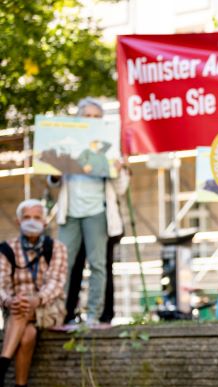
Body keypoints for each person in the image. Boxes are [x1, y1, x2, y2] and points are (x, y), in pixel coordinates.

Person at [48, 97, 126, 325]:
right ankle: (58, 314)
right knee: (64, 264)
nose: (91, 120)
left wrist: (120, 171)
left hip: (97, 213)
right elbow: (53, 183)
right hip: (70, 213)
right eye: (87, 116)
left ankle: (94, 315)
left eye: (96, 117)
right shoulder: (67, 142)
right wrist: (54, 175)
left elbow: (120, 189)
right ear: (78, 119)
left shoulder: (110, 147)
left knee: (98, 264)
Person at [0, 200, 67, 387]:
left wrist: (35, 300)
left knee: (24, 310)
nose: (32, 222)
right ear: (19, 220)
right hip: (17, 309)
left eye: (37, 218)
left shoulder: (57, 248)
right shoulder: (6, 250)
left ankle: (1, 369)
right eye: (27, 217)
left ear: (45, 221)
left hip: (48, 308)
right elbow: (1, 286)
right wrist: (10, 300)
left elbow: (56, 284)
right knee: (27, 334)